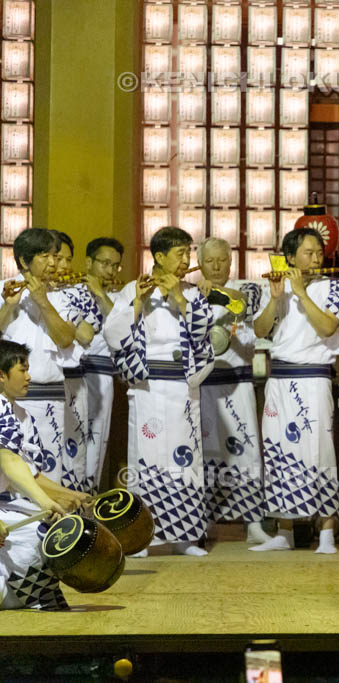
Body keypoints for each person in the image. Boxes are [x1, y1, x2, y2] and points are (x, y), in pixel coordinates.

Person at [103, 227, 214, 557]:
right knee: (147, 460)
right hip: (147, 386)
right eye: (179, 254)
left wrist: (180, 299)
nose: (186, 261)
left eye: (187, 254)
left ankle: (186, 537)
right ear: (160, 257)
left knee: (185, 459)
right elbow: (113, 334)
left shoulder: (192, 294)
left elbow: (205, 335)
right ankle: (143, 538)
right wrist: (138, 301)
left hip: (182, 386)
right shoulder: (131, 290)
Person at [250, 228, 339, 554]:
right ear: (290, 258)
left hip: (313, 379)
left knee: (318, 451)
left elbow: (327, 327)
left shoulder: (335, 288)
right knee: (278, 453)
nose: (315, 257)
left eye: (318, 252)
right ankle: (285, 531)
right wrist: (277, 297)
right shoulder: (277, 288)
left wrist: (302, 293)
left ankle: (326, 530)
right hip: (279, 380)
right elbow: (259, 329)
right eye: (307, 253)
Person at [0, 339, 89, 610]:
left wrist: (71, 497)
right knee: (40, 531)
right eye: (22, 370)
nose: (29, 377)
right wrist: (44, 503)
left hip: (5, 502)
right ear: (1, 375)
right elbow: (7, 458)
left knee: (54, 526)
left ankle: (25, 596)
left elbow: (30, 475)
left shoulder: (20, 415)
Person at [195, 237, 272, 544]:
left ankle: (253, 524)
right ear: (199, 264)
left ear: (231, 262)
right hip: (202, 386)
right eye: (209, 261)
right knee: (204, 455)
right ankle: (201, 525)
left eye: (221, 260)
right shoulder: (189, 294)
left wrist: (215, 291)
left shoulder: (248, 289)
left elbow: (240, 303)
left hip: (238, 383)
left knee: (247, 453)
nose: (216, 266)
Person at [0, 229, 82, 488]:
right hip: (10, 399)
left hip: (52, 399)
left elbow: (66, 339)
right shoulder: (3, 289)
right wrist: (9, 305)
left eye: (54, 256)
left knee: (49, 473)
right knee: (13, 477)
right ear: (24, 261)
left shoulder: (65, 294)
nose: (53, 263)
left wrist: (43, 302)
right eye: (45, 256)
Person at [51, 231, 101, 493]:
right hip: (36, 385)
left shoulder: (80, 291)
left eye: (68, 259)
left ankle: (74, 520)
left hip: (74, 382)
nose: (63, 266)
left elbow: (86, 334)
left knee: (74, 452)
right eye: (57, 258)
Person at [79, 237, 125, 492]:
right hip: (70, 376)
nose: (110, 270)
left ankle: (88, 499)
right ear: (89, 262)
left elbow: (121, 325)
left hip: (102, 375)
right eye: (104, 263)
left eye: (115, 265)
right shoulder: (70, 290)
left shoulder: (120, 296)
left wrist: (99, 294)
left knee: (96, 441)